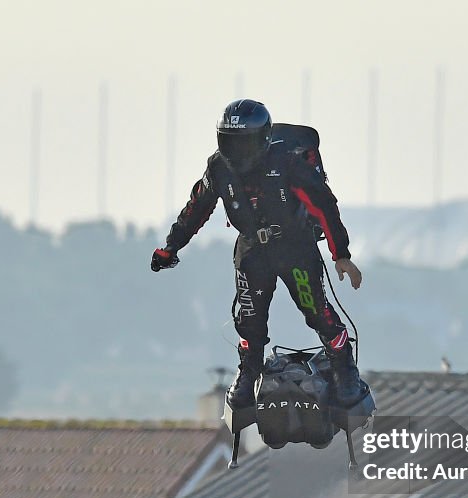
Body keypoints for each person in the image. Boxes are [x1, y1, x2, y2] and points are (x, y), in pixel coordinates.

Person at [150, 99, 365, 408]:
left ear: (263, 140)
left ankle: (344, 368)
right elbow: (196, 208)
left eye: (244, 143)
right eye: (230, 142)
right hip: (252, 249)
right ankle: (248, 373)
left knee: (316, 310)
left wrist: (340, 254)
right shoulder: (218, 168)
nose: (237, 152)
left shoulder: (288, 164)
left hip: (295, 246)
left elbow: (323, 205)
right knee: (249, 317)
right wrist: (170, 247)